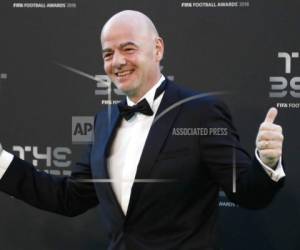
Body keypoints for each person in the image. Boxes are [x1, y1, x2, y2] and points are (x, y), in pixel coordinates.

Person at [0, 10, 285, 250]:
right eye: (108, 53)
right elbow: (68, 198)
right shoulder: (104, 121)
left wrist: (267, 163)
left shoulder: (201, 112)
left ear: (157, 49)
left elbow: (248, 193)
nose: (117, 62)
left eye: (128, 49)